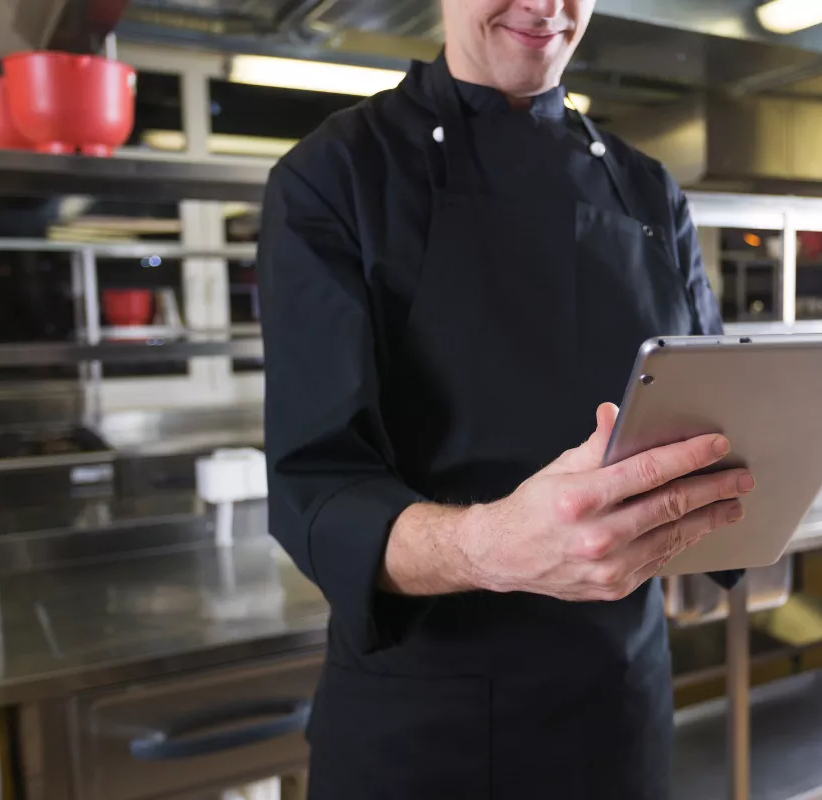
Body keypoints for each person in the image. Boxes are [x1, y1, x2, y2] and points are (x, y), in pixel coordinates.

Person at [258, 0, 753, 797]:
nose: (545, 7)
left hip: (619, 710)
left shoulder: (647, 189)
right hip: (426, 731)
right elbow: (318, 491)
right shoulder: (335, 174)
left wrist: (778, 450)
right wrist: (492, 546)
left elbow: (714, 412)